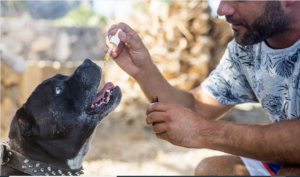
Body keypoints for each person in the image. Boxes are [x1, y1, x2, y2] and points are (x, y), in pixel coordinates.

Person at [103, 1, 300, 176]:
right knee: (212, 171)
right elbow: (196, 107)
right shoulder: (247, 51)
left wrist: (205, 132)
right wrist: (143, 70)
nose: (222, 9)